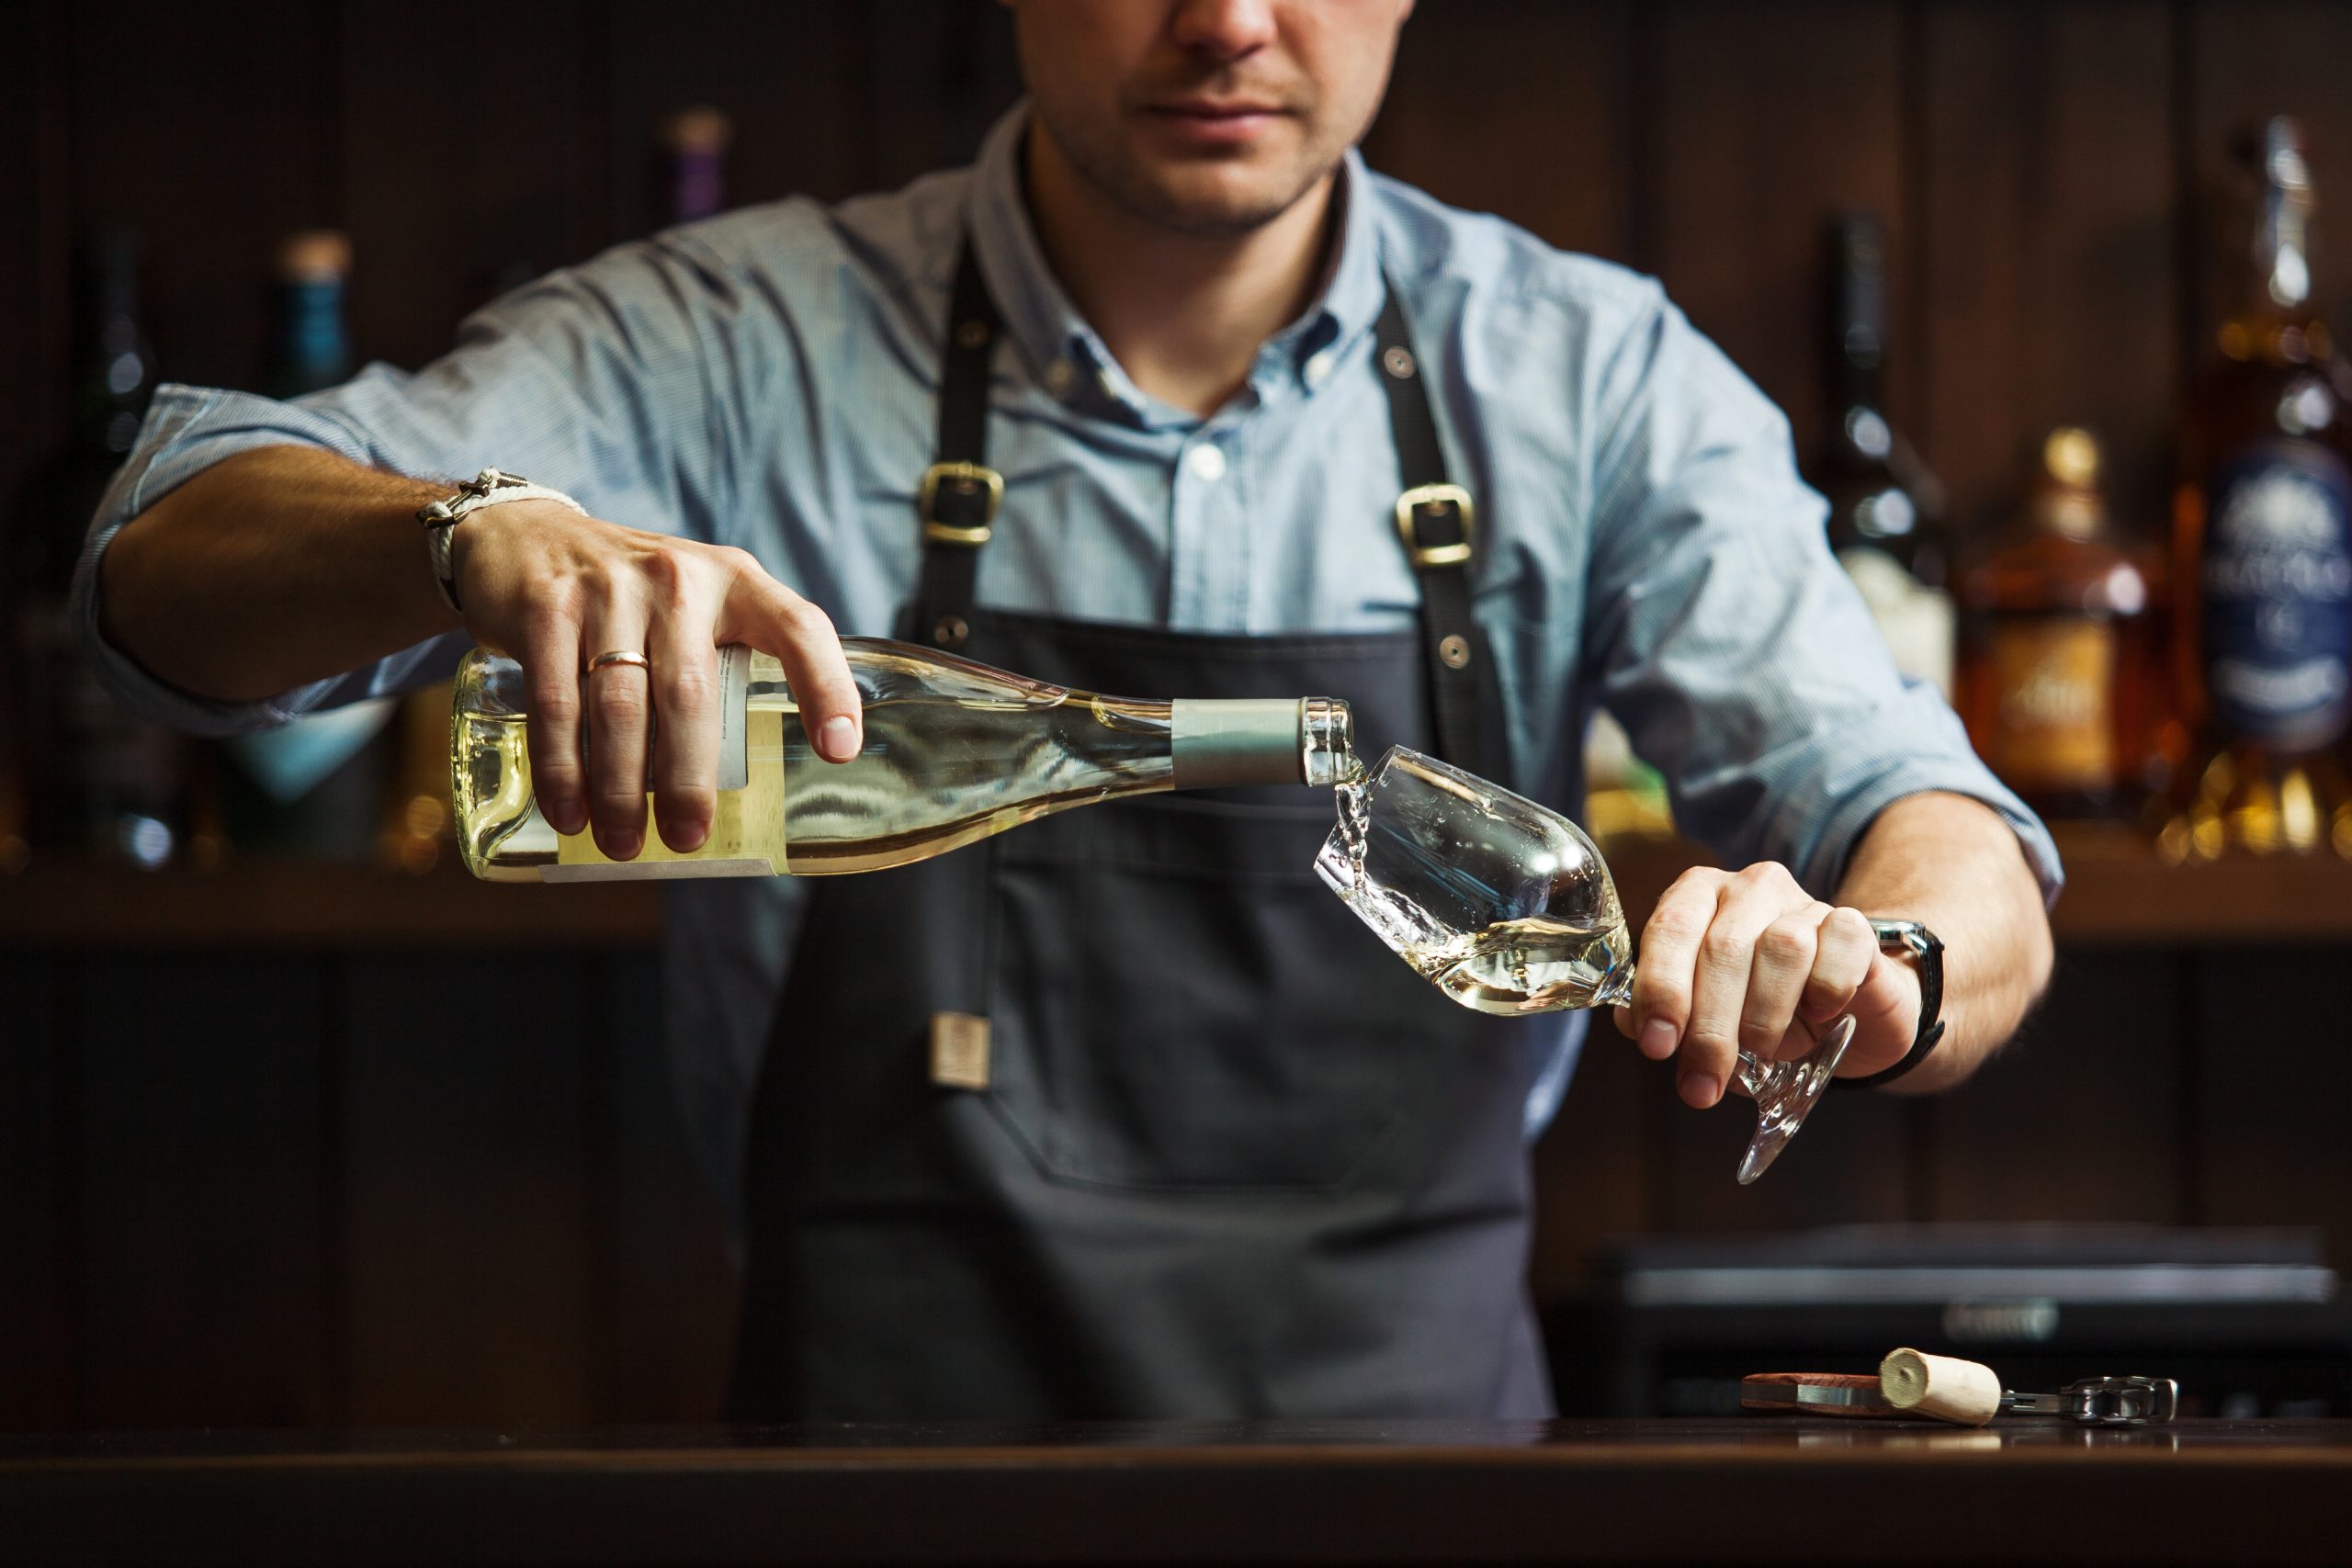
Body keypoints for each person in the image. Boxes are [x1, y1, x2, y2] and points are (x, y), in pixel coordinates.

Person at [81, 0, 2057, 1419]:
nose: (1227, 22)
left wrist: (1870, 952)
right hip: (872, 1497)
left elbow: (1946, 839)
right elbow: (157, 557)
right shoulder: (733, 338)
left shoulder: (1589, 380)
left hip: (1426, 1494)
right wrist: (464, 535)